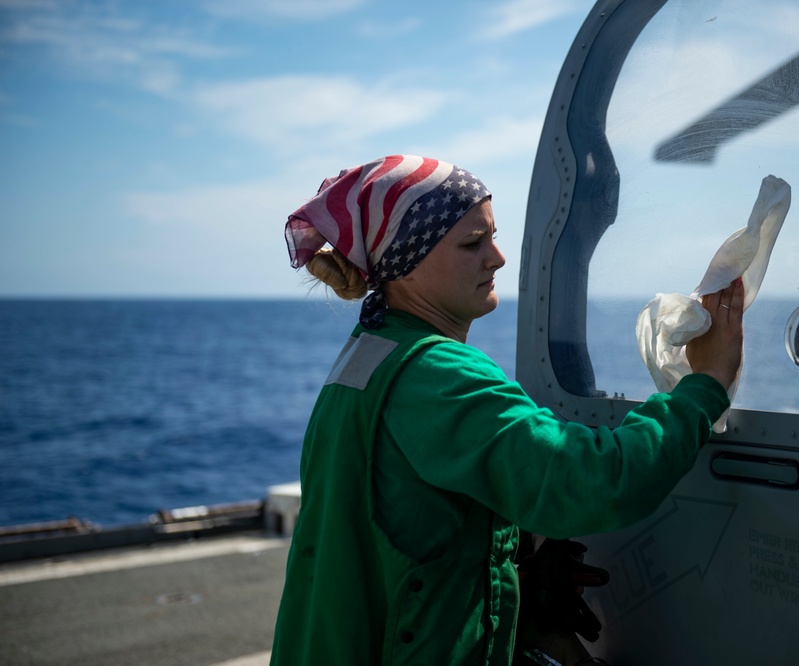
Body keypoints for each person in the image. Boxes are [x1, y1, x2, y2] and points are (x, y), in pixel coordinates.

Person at [270, 155, 744, 665]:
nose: (496, 258)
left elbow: (403, 521)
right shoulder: (435, 376)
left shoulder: (369, 354)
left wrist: (516, 558)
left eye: (493, 237)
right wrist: (704, 384)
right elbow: (593, 480)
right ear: (404, 261)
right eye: (473, 243)